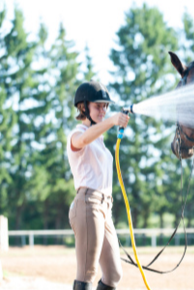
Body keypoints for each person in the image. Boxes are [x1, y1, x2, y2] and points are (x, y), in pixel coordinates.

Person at [67, 81, 130, 290]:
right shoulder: (77, 134)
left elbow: (92, 137)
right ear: (84, 107)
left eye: (106, 106)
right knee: (87, 273)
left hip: (104, 208)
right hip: (88, 204)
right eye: (98, 106)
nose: (103, 110)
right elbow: (82, 140)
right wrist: (111, 121)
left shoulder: (99, 141)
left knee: (113, 274)